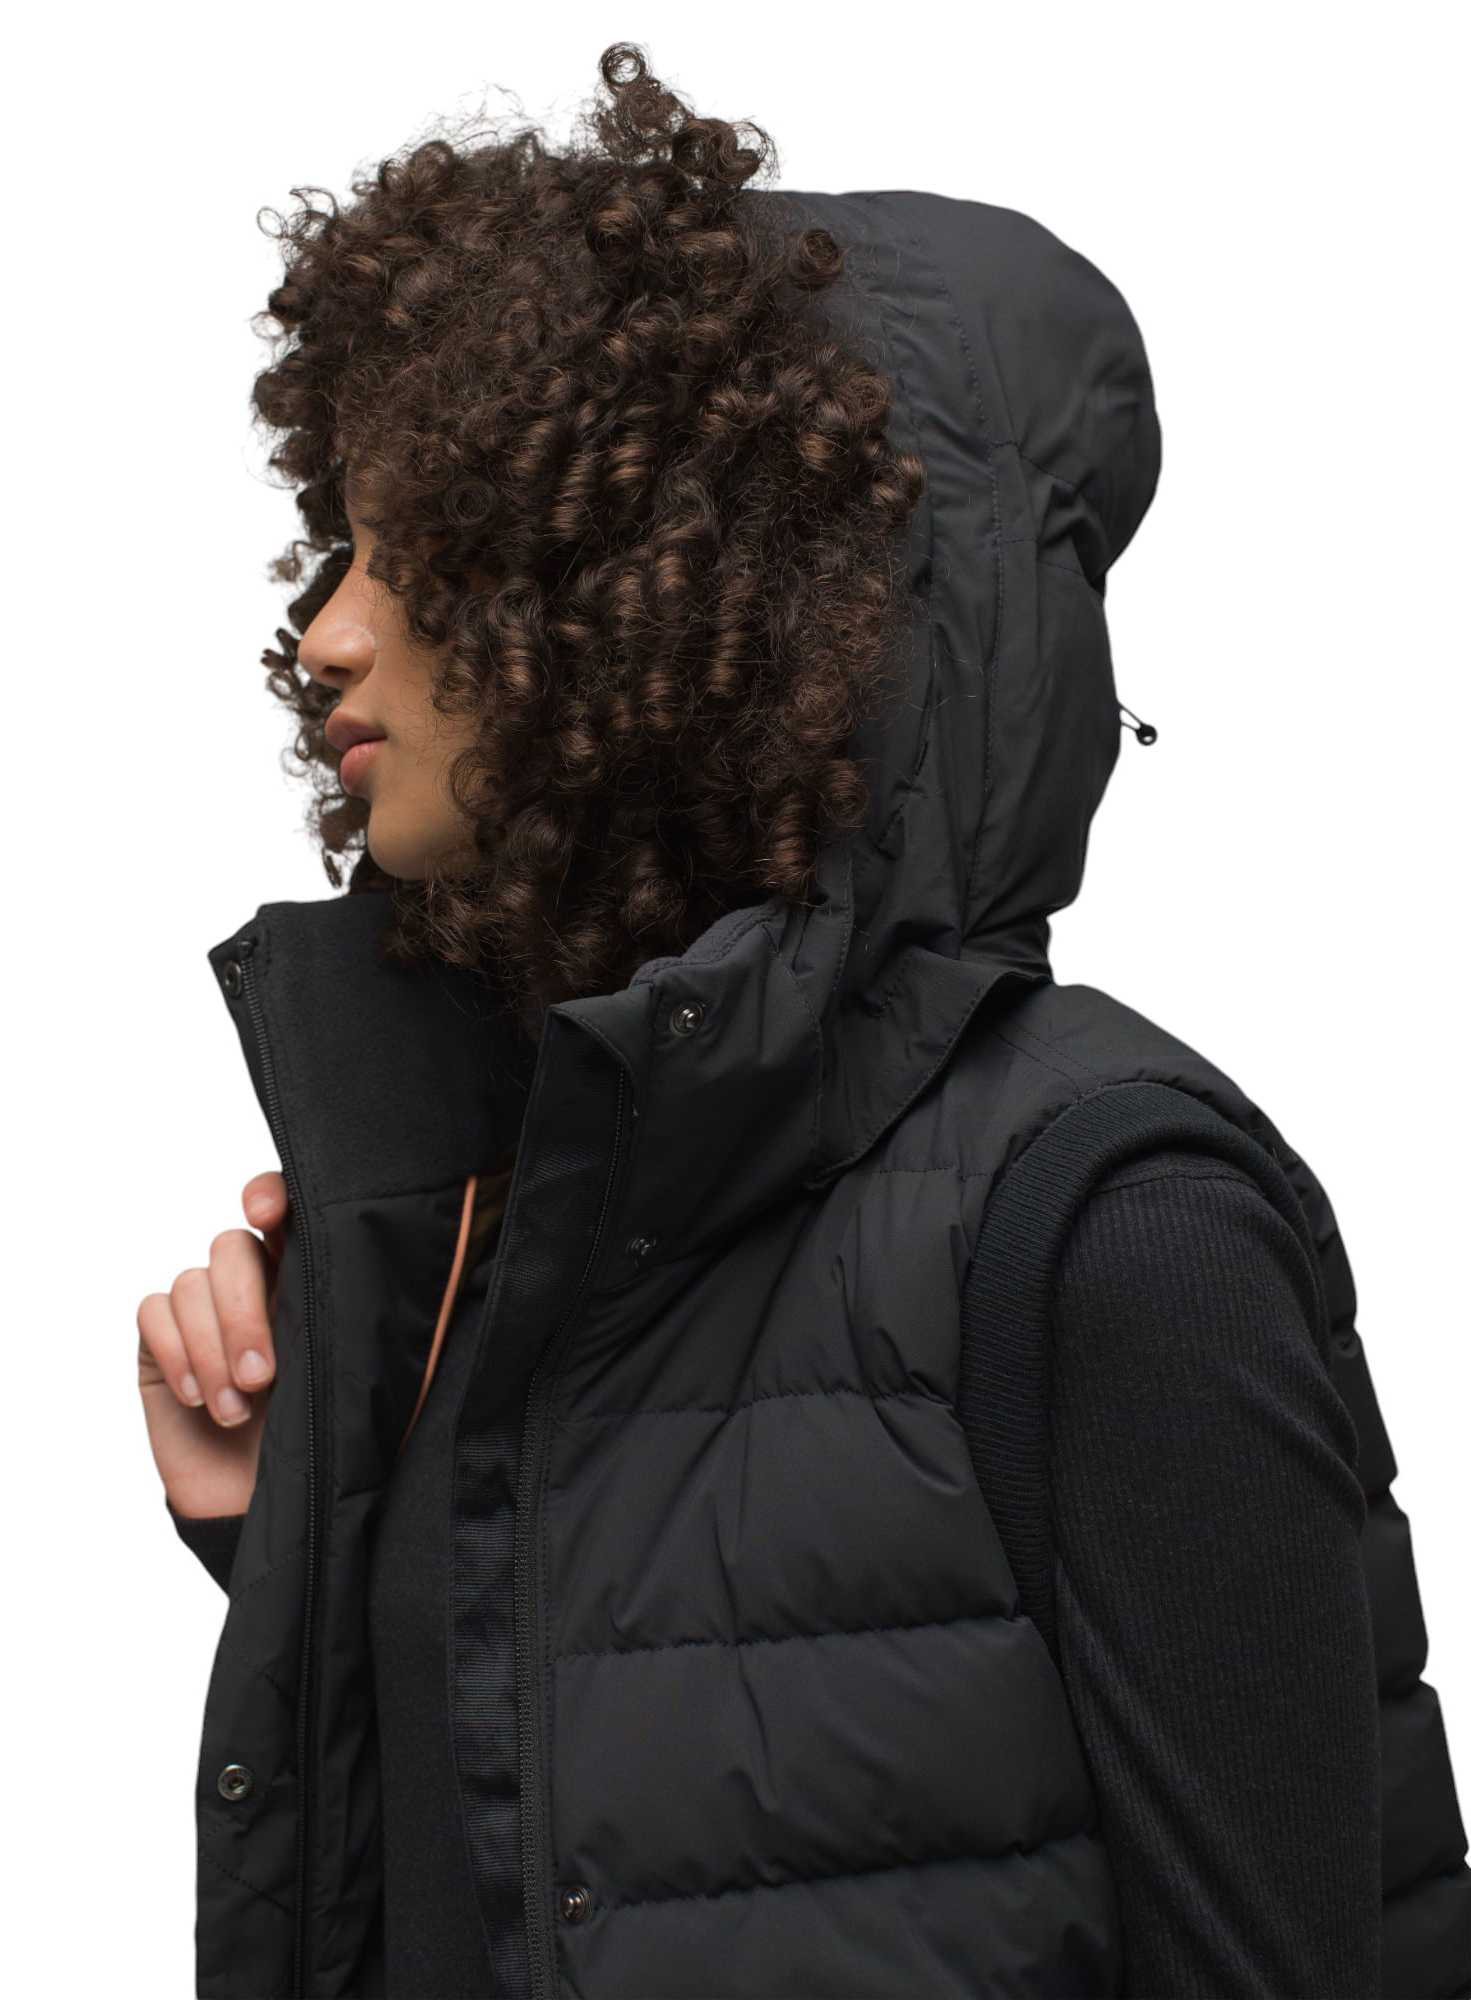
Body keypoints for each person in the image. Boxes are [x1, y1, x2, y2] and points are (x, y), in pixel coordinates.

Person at [137, 44, 1470, 2000]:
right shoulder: (511, 1225)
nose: (327, 628)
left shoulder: (1113, 1220)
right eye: (336, 544)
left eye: (431, 552)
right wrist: (302, 1529)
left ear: (687, 599)